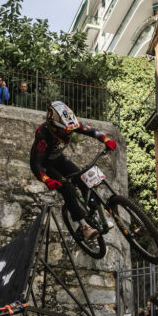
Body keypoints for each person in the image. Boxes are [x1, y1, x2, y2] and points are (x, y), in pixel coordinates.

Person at [29, 101, 117, 241]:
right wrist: (46, 179)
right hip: (47, 166)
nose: (68, 133)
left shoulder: (69, 124)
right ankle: (84, 227)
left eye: (70, 130)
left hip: (59, 159)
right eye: (65, 131)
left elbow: (91, 131)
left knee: (83, 179)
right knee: (68, 189)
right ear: (54, 127)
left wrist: (106, 139)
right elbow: (35, 163)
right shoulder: (43, 136)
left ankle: (94, 214)